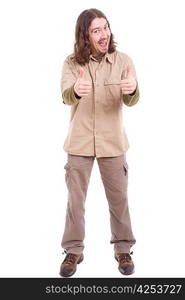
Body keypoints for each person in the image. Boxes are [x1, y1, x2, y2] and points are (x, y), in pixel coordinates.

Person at [59, 8, 139, 277]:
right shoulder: (71, 63)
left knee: (119, 200)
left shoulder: (123, 61)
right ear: (85, 35)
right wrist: (76, 91)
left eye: (105, 28)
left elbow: (131, 98)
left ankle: (123, 247)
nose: (104, 34)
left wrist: (132, 89)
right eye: (96, 30)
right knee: (75, 201)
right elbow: (67, 95)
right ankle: (73, 250)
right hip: (79, 142)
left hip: (113, 142)